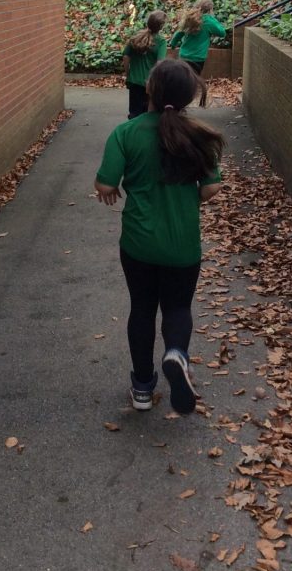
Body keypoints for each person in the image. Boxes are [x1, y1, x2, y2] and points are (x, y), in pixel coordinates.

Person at [94, 59, 224, 414]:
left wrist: (111, 190)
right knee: (178, 307)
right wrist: (187, 199)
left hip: (138, 243)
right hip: (183, 244)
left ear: (149, 89)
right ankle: (176, 354)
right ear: (188, 96)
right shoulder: (197, 134)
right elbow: (211, 188)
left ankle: (142, 387)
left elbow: (105, 183)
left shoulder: (126, 133)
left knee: (142, 308)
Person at [170, 0, 226, 107]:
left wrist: (173, 44)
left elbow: (179, 33)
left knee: (182, 80)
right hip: (197, 58)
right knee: (192, 83)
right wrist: (212, 18)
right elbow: (222, 32)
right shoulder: (208, 21)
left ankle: (177, 103)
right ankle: (183, 104)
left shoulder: (190, 18)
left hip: (184, 55)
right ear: (210, 10)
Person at [122, 10, 167, 119]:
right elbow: (160, 63)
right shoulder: (161, 41)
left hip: (134, 81)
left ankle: (132, 128)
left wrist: (128, 72)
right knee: (147, 113)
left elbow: (126, 56)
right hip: (149, 82)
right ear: (161, 26)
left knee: (134, 112)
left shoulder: (136, 38)